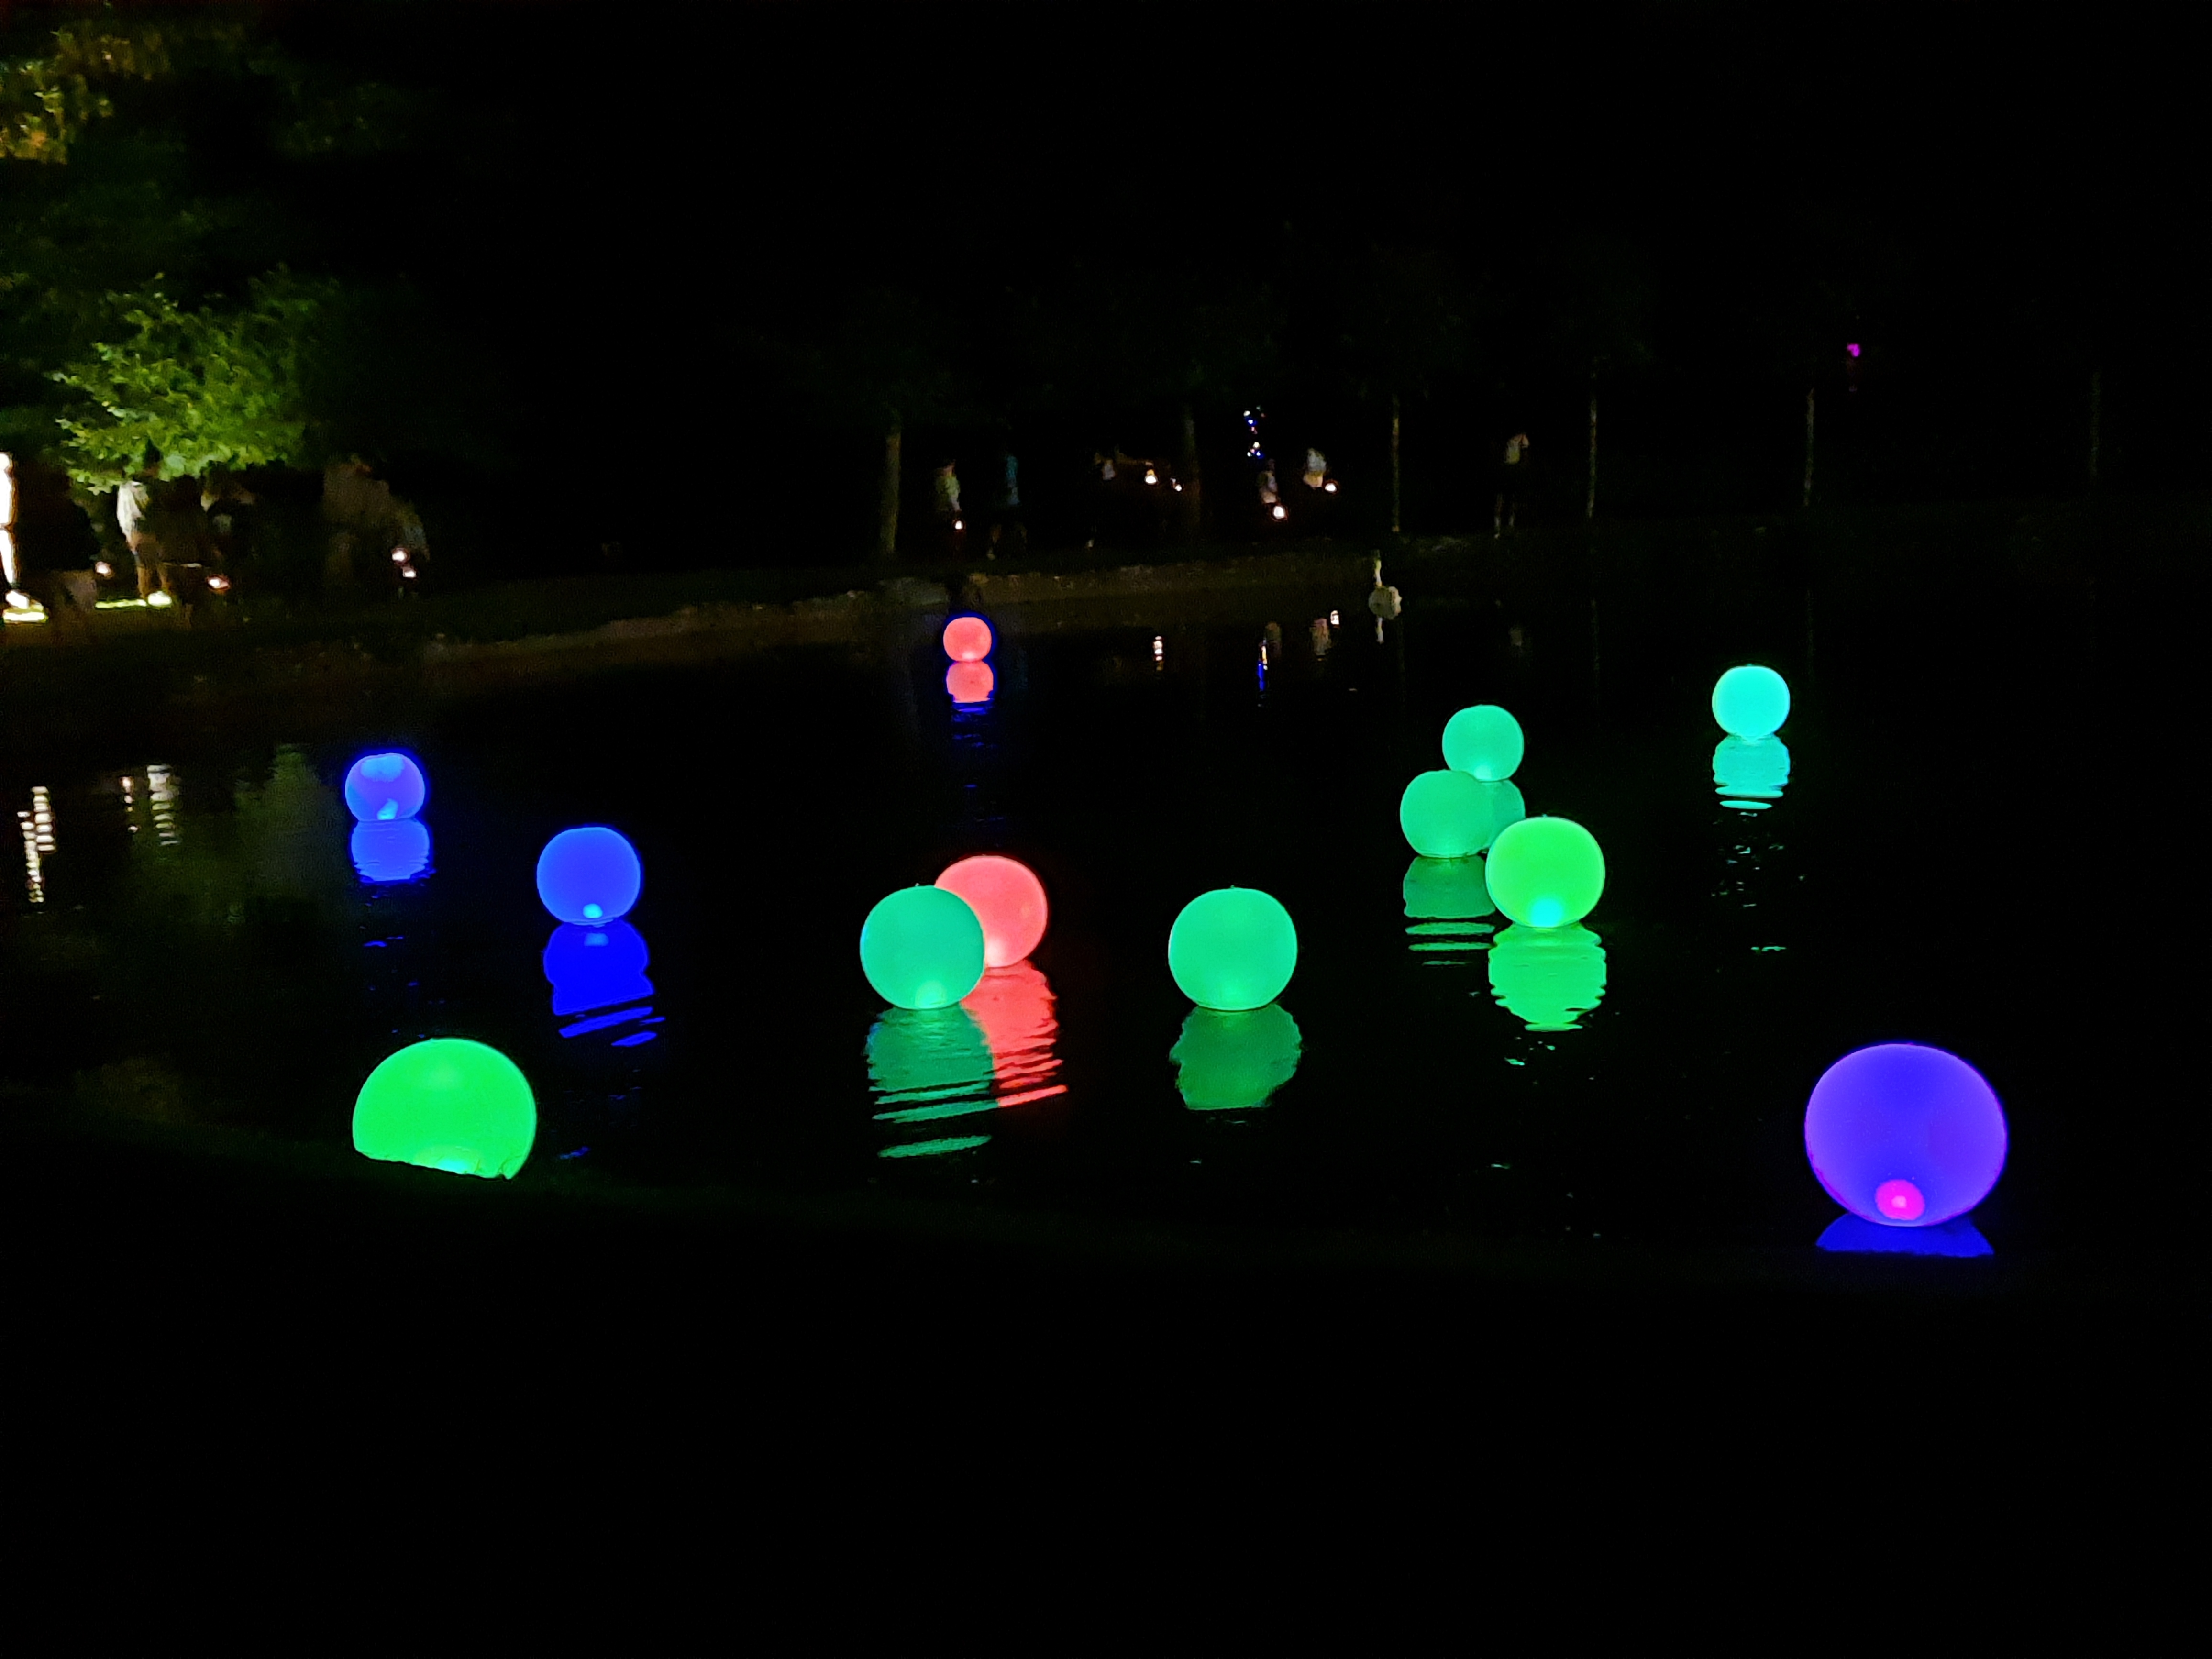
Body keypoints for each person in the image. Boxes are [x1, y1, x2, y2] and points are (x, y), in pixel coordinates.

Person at [9, 458, 102, 643]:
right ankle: (87, 640)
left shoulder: (36, 513)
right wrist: (93, 556)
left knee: (58, 611)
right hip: (74, 565)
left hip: (50, 567)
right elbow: (87, 538)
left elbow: (28, 540)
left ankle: (63, 641)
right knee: (81, 609)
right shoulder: (74, 512)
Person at [1495, 432, 1530, 535]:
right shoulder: (1504, 441)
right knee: (1501, 500)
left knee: (1513, 500)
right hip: (1505, 472)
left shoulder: (1523, 439)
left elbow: (1525, 457)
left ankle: (1511, 526)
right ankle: (1497, 527)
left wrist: (1521, 469)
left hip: (1514, 472)